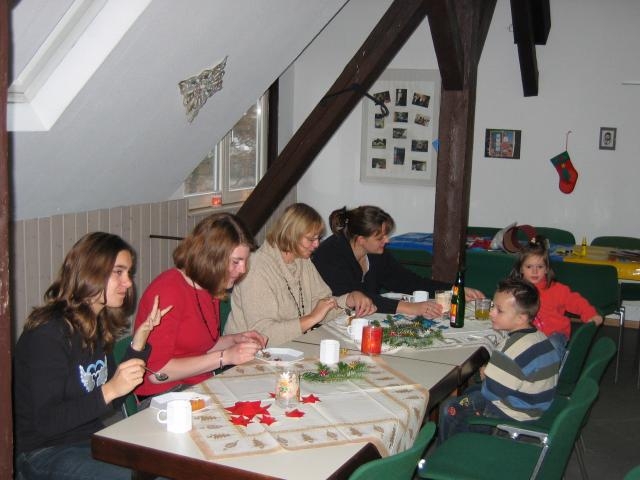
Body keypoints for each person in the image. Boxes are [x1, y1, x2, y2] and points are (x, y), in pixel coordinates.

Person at [13, 232, 172, 479]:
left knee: (168, 465)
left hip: (88, 439)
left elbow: (114, 398)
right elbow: (46, 421)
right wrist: (110, 390)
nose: (128, 283)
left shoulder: (96, 324)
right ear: (91, 273)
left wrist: (139, 341)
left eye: (128, 273)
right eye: (118, 272)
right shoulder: (47, 333)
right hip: (42, 452)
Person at [134, 213, 267, 397]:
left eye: (245, 261)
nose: (243, 269)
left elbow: (197, 345)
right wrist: (226, 357)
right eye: (236, 262)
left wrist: (235, 340)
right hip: (164, 395)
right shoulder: (168, 291)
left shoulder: (209, 286)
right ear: (211, 258)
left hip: (197, 385)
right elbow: (157, 373)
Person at [224, 203, 376, 345]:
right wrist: (312, 318)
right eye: (311, 239)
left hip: (291, 348)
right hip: (247, 355)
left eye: (318, 238)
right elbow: (263, 334)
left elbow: (322, 305)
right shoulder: (256, 268)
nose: (317, 244)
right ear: (291, 234)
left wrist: (349, 299)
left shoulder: (302, 260)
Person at [437, 278, 561, 443]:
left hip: (516, 413)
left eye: (499, 310)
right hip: (536, 404)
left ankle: (451, 451)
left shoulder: (510, 350)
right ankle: (470, 438)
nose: (491, 313)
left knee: (450, 409)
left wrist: (485, 374)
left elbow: (491, 393)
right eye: (493, 306)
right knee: (470, 392)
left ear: (521, 318)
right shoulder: (539, 336)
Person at [311, 206, 484, 318]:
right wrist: (411, 308)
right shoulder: (330, 255)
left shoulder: (375, 253)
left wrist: (454, 290)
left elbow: (408, 281)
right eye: (380, 237)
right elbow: (354, 298)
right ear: (361, 239)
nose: (387, 241)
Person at [508, 236, 603, 357]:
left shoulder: (557, 289)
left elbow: (576, 301)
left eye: (540, 267)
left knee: (553, 344)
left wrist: (591, 314)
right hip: (527, 334)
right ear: (521, 269)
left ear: (546, 269)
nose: (535, 271)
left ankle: (554, 366)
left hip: (555, 334)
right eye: (529, 267)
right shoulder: (516, 290)